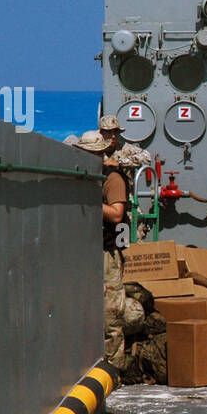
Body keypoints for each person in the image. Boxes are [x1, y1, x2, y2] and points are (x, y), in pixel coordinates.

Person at [77, 128, 130, 368]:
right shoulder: (86, 176)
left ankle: (114, 367)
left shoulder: (112, 178)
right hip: (87, 250)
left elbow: (117, 214)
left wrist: (90, 202)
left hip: (107, 252)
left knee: (110, 313)